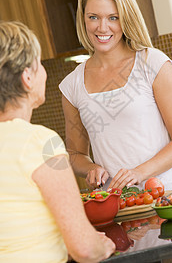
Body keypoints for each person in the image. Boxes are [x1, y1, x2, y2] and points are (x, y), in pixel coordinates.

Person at [59, 0, 172, 192]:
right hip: (115, 204)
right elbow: (75, 154)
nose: (102, 28)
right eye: (93, 17)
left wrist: (138, 173)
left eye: (113, 17)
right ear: (83, 19)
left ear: (126, 18)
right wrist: (91, 168)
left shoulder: (153, 63)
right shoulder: (72, 84)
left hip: (167, 195)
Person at [0, 21, 115, 263]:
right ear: (27, 78)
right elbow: (84, 249)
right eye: (39, 64)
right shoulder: (40, 143)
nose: (44, 71)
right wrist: (101, 245)